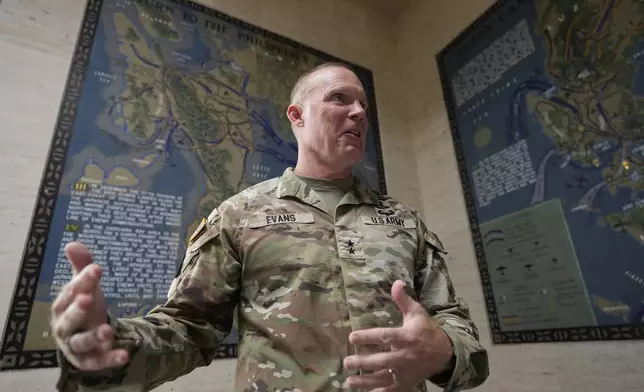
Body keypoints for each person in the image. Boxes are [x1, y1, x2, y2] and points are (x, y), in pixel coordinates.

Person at [51, 62, 489, 392]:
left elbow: (454, 325)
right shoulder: (239, 214)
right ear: (296, 116)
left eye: (363, 106)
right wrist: (113, 344)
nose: (358, 113)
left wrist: (444, 352)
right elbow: (189, 328)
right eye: (340, 99)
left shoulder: (403, 221)